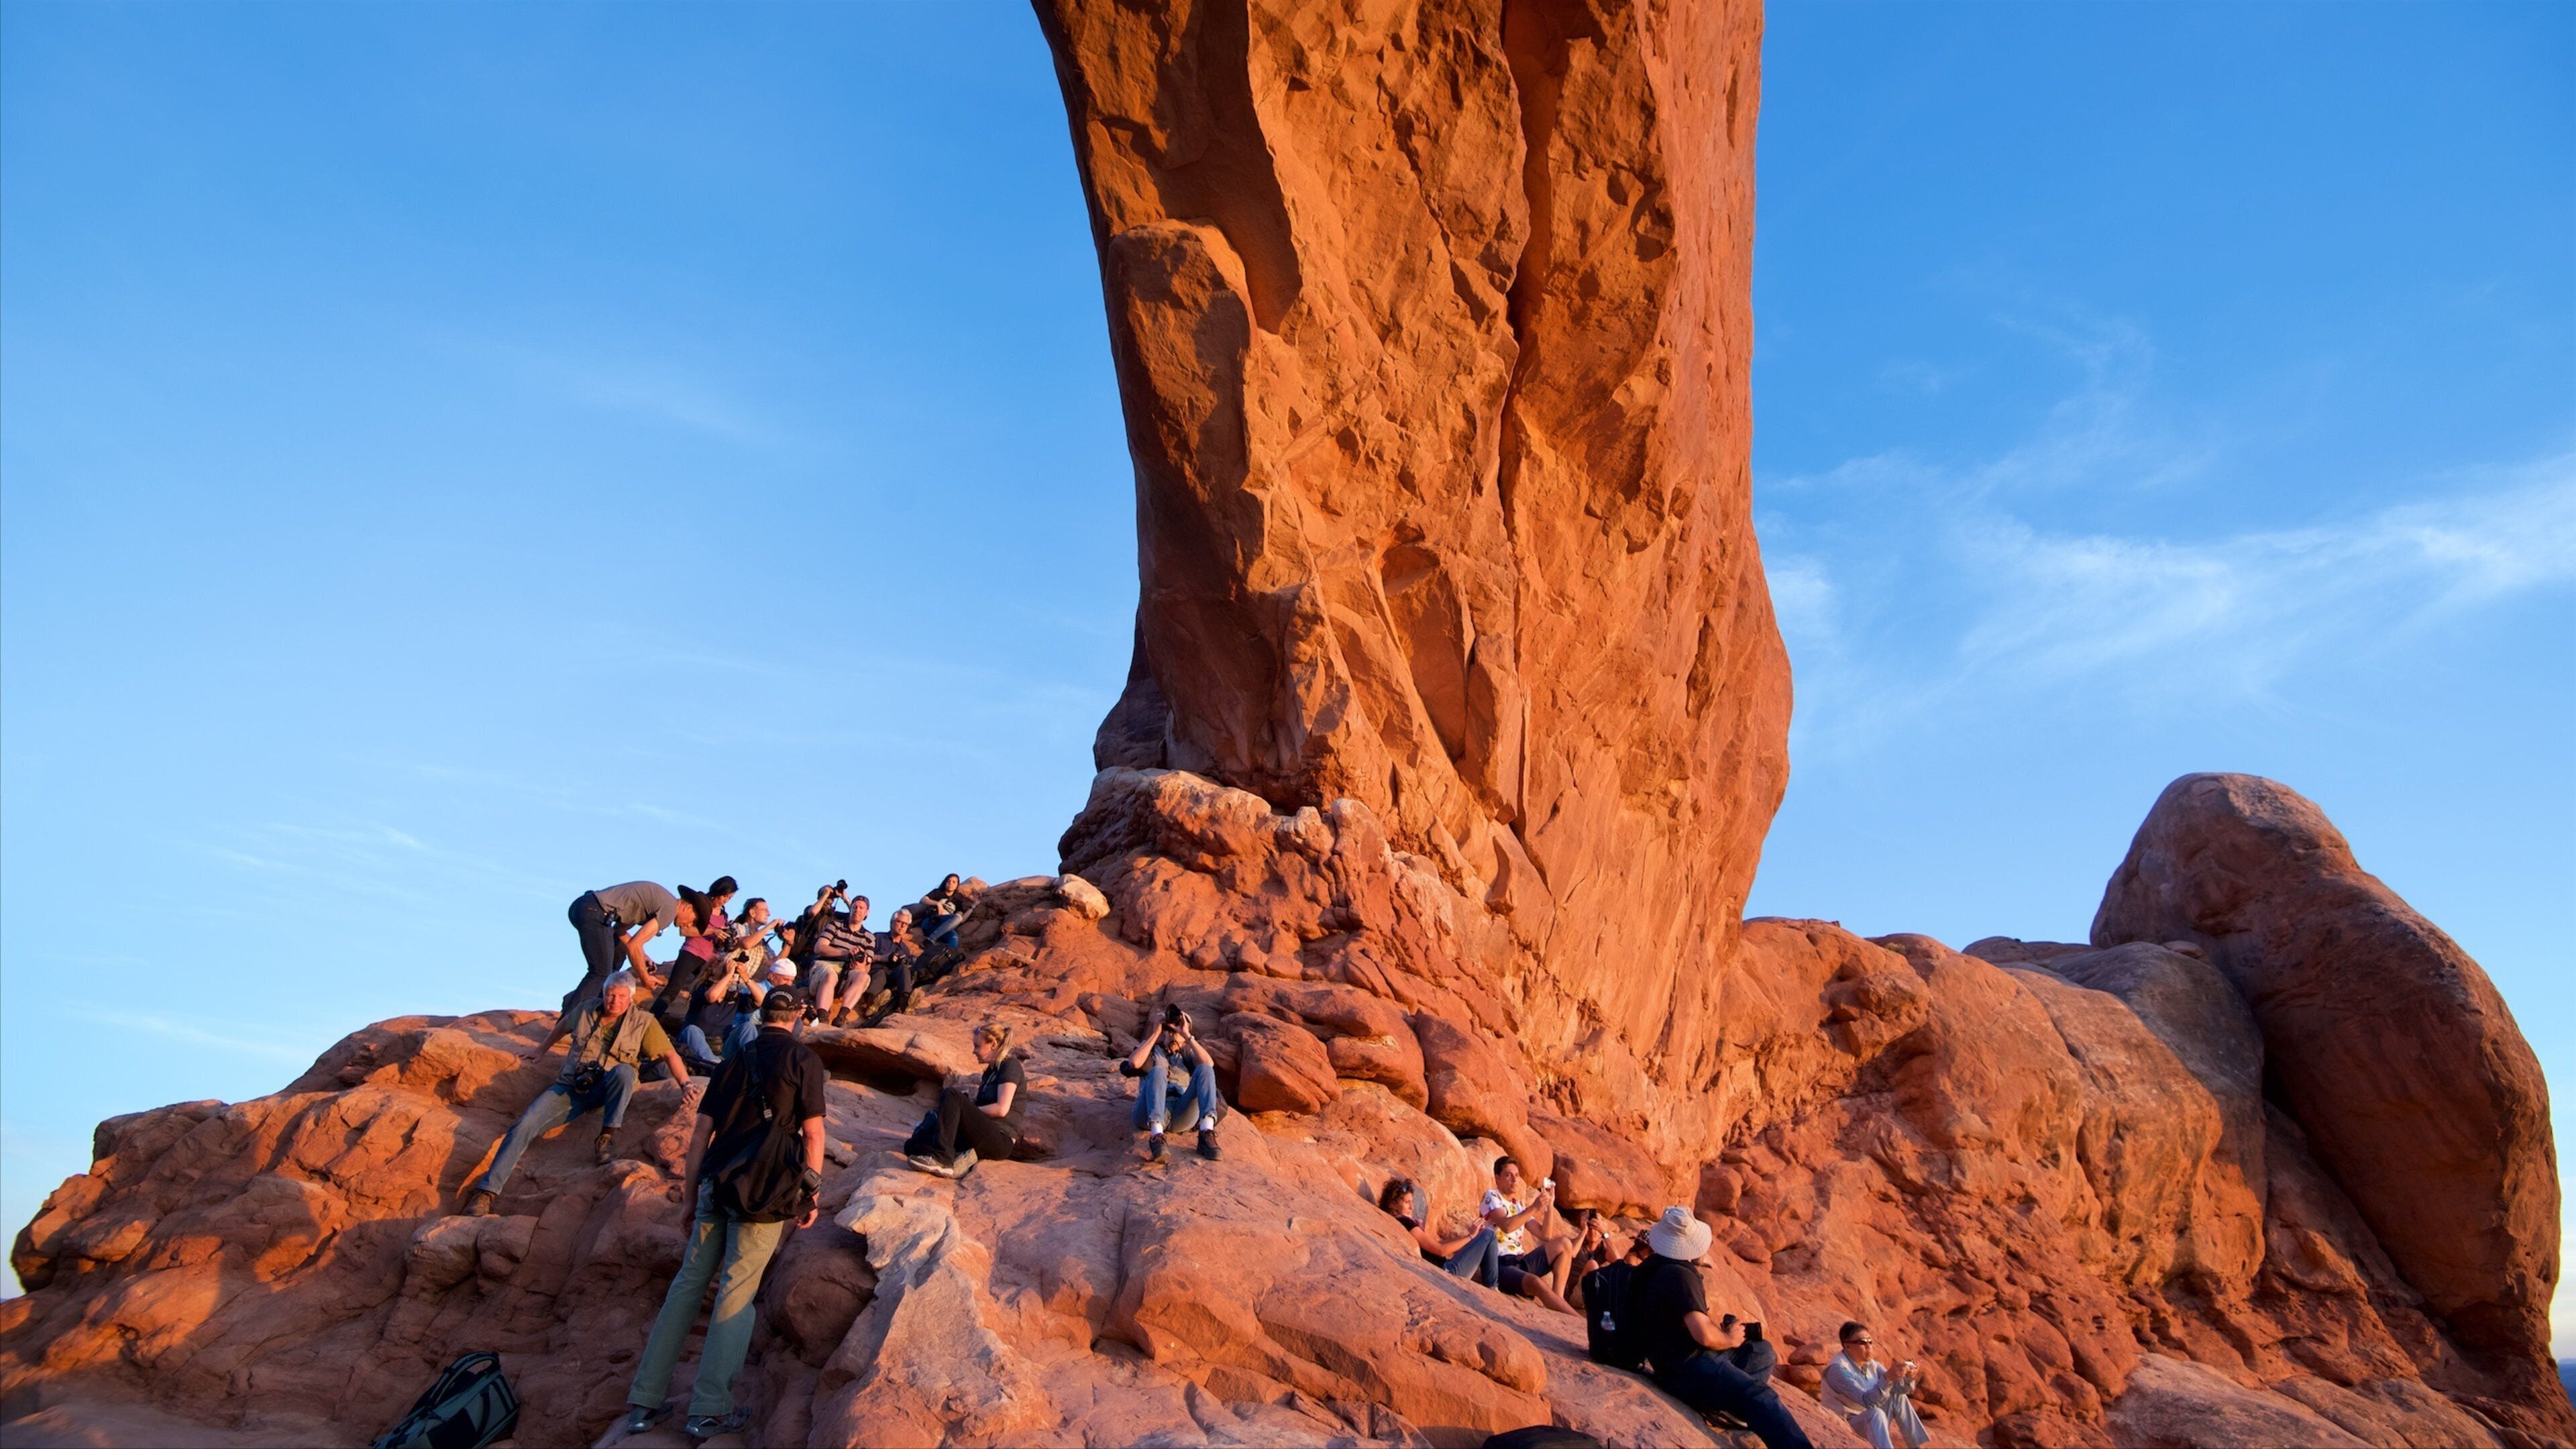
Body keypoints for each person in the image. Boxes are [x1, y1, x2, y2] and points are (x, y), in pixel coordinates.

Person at [623, 986, 828, 1442]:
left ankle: (643, 1403)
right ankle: (709, 1410)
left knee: (686, 1287)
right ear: (796, 1016)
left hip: (716, 1184)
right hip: (764, 1192)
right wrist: (811, 1193)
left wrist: (691, 1197)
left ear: (763, 1014)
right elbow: (814, 1134)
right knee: (735, 1294)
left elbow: (700, 1135)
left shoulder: (734, 1060)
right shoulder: (803, 1060)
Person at [465, 971, 688, 1215]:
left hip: (607, 1091)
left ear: (630, 998)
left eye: (621, 996)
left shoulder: (643, 1022)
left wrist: (686, 1085)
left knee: (624, 1072)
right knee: (523, 1126)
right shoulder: (586, 1010)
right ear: (604, 994)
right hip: (571, 1088)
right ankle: (486, 1192)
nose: (614, 1001)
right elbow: (562, 1026)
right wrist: (540, 1050)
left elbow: (669, 1054)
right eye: (610, 995)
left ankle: (606, 1137)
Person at [1626, 1207, 1813, 1449]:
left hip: (1669, 1363)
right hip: (1686, 1367)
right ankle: (1732, 1404)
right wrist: (1730, 1338)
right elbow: (1703, 1335)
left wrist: (1726, 1337)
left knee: (1762, 1351)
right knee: (1761, 1396)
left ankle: (1724, 1406)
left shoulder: (1654, 1267)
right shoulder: (1680, 1276)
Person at [556, 879, 683, 1031]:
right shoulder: (670, 909)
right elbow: (634, 945)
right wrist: (645, 978)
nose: (687, 926)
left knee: (616, 957)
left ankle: (583, 1007)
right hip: (595, 912)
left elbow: (620, 931)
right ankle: (566, 1026)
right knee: (601, 972)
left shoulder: (661, 901)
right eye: (694, 921)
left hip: (586, 907)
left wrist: (642, 956)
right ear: (688, 908)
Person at [904, 1022, 1026, 1178]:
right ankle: (963, 1156)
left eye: (977, 1046)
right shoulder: (989, 1073)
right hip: (980, 1135)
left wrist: (963, 1111)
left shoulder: (1010, 1065)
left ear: (993, 1044)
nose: (974, 1051)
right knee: (912, 1146)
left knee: (952, 1095)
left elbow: (1001, 1109)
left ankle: (943, 1160)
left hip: (1000, 1139)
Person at [1120, 1004, 1222, 1163]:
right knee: (1158, 1071)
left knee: (1205, 1069)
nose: (1175, 1030)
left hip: (1180, 1112)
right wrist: (1156, 1033)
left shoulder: (1187, 1054)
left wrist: (1187, 1035)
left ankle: (1206, 1132)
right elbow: (1134, 1063)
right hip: (1149, 1112)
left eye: (1180, 1024)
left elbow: (1209, 1064)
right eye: (1172, 1026)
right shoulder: (1153, 1049)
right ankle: (1157, 1137)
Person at [1481, 1159, 1576, 1311]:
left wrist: (1550, 1205)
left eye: (1517, 1175)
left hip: (1519, 1261)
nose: (1514, 1180)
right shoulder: (1492, 1196)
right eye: (1508, 1175)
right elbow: (1506, 1226)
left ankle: (1558, 1299)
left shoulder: (1518, 1205)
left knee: (1565, 1244)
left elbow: (1545, 1235)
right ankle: (1577, 1320)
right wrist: (1534, 1208)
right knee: (1536, 1283)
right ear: (1497, 1178)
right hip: (1499, 1264)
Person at [1377, 1177, 1505, 1288]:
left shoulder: (1404, 1222)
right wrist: (1471, 1237)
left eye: (1412, 1202)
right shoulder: (1406, 1223)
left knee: (1485, 1236)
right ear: (1393, 1204)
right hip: (1448, 1272)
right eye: (1407, 1203)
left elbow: (1437, 1244)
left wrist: (1471, 1237)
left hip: (1446, 1268)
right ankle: (1492, 1286)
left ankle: (1493, 1283)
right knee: (1489, 1234)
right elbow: (1441, 1250)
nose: (1412, 1207)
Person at [1822, 1321, 1929, 1449]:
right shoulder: (1838, 1370)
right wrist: (1887, 1378)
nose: (1869, 1346)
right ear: (1848, 1346)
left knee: (1898, 1397)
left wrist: (1909, 1377)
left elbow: (1898, 1389)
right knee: (1875, 1413)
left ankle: (1916, 1447)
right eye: (1863, 1342)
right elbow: (1867, 1401)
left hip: (1871, 1422)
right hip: (1845, 1426)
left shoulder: (1871, 1364)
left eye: (1870, 1342)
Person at [804, 888, 874, 1021]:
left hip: (847, 973)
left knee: (863, 977)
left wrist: (860, 967)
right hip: (825, 966)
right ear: (850, 909)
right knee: (830, 975)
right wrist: (845, 953)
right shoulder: (835, 925)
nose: (857, 910)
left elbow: (867, 966)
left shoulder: (869, 938)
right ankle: (823, 1016)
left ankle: (841, 1016)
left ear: (867, 912)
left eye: (861, 908)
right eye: (855, 907)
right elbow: (819, 948)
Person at [918, 873, 968, 952]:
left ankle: (948, 956)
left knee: (954, 936)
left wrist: (974, 906)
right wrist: (938, 904)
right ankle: (930, 940)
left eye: (954, 882)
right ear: (945, 883)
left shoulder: (957, 902)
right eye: (948, 881)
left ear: (957, 885)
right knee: (957, 919)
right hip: (931, 922)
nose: (951, 883)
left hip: (944, 928)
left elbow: (961, 920)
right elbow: (923, 900)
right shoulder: (937, 893)